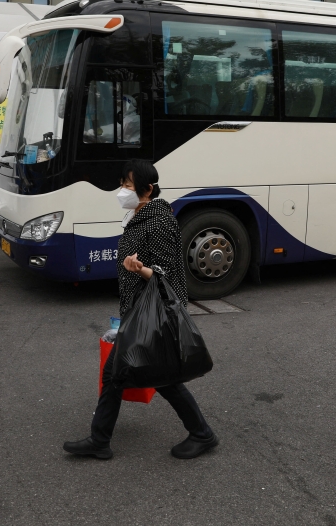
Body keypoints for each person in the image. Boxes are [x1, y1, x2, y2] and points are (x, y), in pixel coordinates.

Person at [63, 159, 218, 460]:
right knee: (123, 375)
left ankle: (202, 433)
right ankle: (100, 440)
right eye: (122, 183)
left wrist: (140, 269)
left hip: (154, 314)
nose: (122, 190)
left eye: (128, 185)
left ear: (147, 190)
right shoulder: (137, 216)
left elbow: (169, 275)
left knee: (155, 378)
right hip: (138, 311)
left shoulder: (159, 221)